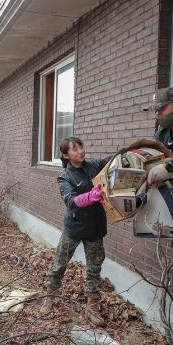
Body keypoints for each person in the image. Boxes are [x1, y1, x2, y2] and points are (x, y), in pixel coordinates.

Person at [47, 137, 110, 327]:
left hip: (95, 227)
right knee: (60, 263)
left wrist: (132, 150)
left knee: (94, 268)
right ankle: (50, 296)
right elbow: (70, 201)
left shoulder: (94, 166)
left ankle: (92, 306)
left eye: (80, 146)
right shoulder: (65, 177)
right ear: (66, 155)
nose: (80, 151)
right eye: (75, 149)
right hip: (73, 229)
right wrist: (90, 197)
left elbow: (113, 160)